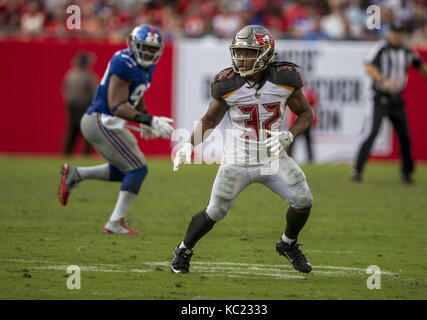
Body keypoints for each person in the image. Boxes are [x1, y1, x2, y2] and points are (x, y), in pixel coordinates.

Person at [171, 25, 314, 274]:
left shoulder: (285, 78)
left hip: (273, 157)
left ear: (265, 54)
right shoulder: (227, 82)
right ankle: (183, 250)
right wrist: (188, 145)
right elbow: (210, 121)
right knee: (215, 211)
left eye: (248, 53)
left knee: (304, 200)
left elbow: (305, 113)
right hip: (238, 158)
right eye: (238, 52)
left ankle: (288, 244)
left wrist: (289, 134)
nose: (241, 58)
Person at [58, 24, 174, 234]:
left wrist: (143, 118)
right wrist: (148, 119)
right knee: (138, 169)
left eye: (152, 49)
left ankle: (76, 174)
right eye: (144, 47)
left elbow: (137, 93)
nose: (148, 53)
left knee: (128, 170)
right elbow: (116, 106)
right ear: (132, 44)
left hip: (110, 123)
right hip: (100, 121)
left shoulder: (146, 66)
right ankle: (114, 223)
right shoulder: (123, 62)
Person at [352, 22, 427, 184]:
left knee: (404, 135)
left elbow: (423, 67)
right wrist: (384, 80)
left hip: (397, 99)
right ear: (388, 33)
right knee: (372, 131)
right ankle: (357, 169)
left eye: (399, 34)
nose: (396, 37)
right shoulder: (380, 48)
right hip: (379, 97)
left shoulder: (407, 51)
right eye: (393, 33)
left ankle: (407, 172)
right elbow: (368, 67)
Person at [62, 52, 97, 156]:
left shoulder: (70, 74)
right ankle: (86, 154)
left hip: (71, 106)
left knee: (71, 131)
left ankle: (67, 153)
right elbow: (93, 93)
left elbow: (65, 90)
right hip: (84, 107)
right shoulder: (89, 76)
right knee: (87, 131)